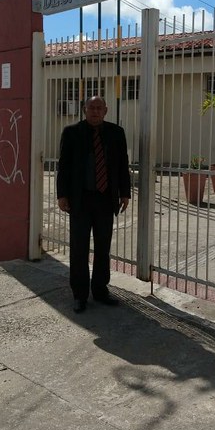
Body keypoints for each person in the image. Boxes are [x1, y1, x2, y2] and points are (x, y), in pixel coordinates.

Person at [57, 96, 131, 313]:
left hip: (106, 200)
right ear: (84, 109)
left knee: (102, 247)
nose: (95, 111)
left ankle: (100, 290)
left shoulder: (116, 133)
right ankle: (79, 295)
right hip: (80, 200)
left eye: (99, 108)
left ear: (106, 110)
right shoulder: (71, 132)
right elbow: (64, 166)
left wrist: (124, 193)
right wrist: (62, 195)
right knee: (79, 248)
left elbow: (122, 165)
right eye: (91, 108)